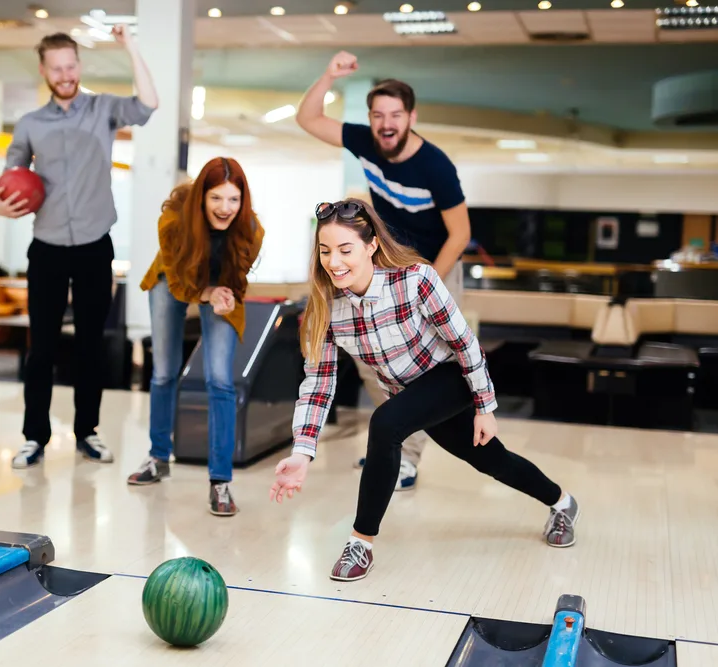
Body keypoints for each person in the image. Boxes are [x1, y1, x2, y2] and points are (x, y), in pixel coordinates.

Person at [269, 199, 579, 582]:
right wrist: (303, 451)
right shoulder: (328, 307)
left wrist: (484, 406)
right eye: (326, 251)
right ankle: (562, 502)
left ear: (371, 246)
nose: (334, 261)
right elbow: (318, 384)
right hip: (409, 394)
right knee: (491, 460)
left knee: (385, 424)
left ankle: (360, 542)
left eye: (345, 250)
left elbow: (465, 342)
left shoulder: (415, 279)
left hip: (452, 377)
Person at [296, 51, 473, 487]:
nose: (386, 123)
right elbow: (308, 118)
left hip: (436, 266)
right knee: (371, 358)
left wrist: (426, 279)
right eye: (378, 115)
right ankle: (398, 439)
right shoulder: (363, 141)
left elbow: (460, 233)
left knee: (429, 365)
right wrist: (329, 74)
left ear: (411, 116)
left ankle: (406, 456)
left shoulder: (435, 166)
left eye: (395, 114)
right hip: (389, 264)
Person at [0, 29, 158, 468]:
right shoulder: (29, 124)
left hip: (93, 244)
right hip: (45, 245)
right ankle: (34, 437)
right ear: (44, 71)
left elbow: (149, 104)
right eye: (56, 67)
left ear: (79, 67)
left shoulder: (103, 109)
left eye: (71, 66)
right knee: (41, 346)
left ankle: (88, 431)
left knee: (89, 345)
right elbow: (11, 178)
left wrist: (131, 48)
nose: (65, 74)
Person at [129, 157, 265, 517]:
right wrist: (203, 293)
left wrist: (223, 295)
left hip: (219, 288)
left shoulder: (251, 229)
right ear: (201, 197)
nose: (225, 208)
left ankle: (220, 481)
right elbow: (178, 282)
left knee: (220, 379)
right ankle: (159, 457)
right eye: (216, 198)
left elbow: (238, 279)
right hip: (170, 281)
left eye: (233, 199)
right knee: (164, 371)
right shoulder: (174, 219)